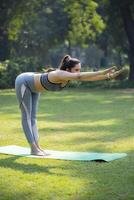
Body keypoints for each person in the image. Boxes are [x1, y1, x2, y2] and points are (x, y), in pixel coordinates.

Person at [15, 55, 124, 156]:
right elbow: (80, 76)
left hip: (35, 87)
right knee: (27, 116)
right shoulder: (59, 74)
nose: (78, 72)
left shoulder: (69, 76)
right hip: (24, 82)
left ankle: (37, 147)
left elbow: (87, 78)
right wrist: (102, 72)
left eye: (79, 69)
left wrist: (107, 76)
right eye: (76, 70)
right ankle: (33, 149)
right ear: (68, 70)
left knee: (33, 117)